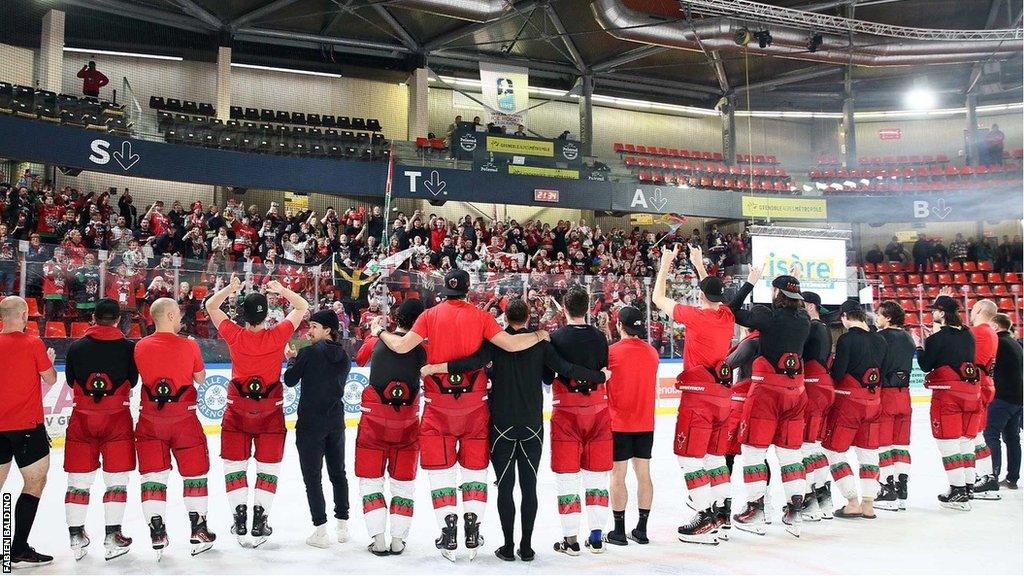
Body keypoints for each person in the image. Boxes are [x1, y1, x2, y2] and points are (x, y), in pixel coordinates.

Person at [370, 268, 547, 561]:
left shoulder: (429, 316)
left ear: (445, 289)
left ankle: (448, 531)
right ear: (467, 289)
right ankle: (473, 527)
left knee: (441, 472)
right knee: (474, 470)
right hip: (475, 407)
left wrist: (379, 331)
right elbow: (513, 345)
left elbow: (401, 346)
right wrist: (540, 333)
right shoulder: (481, 317)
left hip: (438, 407)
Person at [423, 299, 606, 561]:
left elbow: (469, 363)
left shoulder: (495, 343)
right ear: (529, 315)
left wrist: (435, 368)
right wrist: (600, 377)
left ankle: (508, 547)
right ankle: (527, 547)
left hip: (501, 424)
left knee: (506, 488)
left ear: (505, 318)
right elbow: (562, 371)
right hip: (531, 424)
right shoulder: (541, 344)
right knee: (529, 487)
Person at [205, 276, 309, 547]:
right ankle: (260, 519)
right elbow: (302, 307)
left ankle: (239, 517)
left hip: (237, 410)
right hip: (270, 412)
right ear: (267, 315)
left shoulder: (235, 334)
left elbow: (211, 307)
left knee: (234, 466)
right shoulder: (277, 336)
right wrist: (282, 289)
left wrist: (230, 288)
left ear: (243, 315)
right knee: (268, 467)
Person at [651, 244, 735, 544]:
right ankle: (723, 514)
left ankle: (703, 516)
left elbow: (657, 298)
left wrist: (665, 263)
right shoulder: (727, 316)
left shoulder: (697, 317)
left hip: (698, 398)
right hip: (723, 398)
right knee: (714, 457)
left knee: (689, 458)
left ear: (700, 296)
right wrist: (700, 265)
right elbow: (711, 292)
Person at [728, 265, 811, 537]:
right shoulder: (804, 320)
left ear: (776, 292)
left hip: (767, 393)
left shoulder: (768, 318)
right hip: (796, 393)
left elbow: (733, 310)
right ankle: (795, 510)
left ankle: (755, 509)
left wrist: (750, 283)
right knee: (790, 454)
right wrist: (793, 277)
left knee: (754, 451)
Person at [134, 297, 216, 557]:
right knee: (194, 474)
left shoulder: (139, 347)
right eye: (178, 313)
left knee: (153, 477)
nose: (181, 318)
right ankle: (198, 528)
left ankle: (157, 532)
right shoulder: (189, 345)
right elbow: (200, 379)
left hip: (150, 421)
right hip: (184, 421)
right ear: (169, 316)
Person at [63, 298, 137, 561]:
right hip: (117, 419)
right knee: (116, 480)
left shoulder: (76, 347)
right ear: (118, 320)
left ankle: (75, 536)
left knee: (78, 481)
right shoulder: (129, 348)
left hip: (82, 419)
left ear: (93, 317)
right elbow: (133, 380)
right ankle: (113, 535)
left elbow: (72, 381)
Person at [543, 286, 612, 555]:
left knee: (567, 477)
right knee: (597, 476)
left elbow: (548, 379)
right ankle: (596, 537)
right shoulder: (600, 337)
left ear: (564, 307)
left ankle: (570, 540)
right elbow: (604, 370)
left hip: (566, 412)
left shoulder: (556, 338)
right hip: (597, 409)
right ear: (587, 307)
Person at [355, 300, 426, 556]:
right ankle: (398, 539)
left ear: (397, 317)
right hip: (407, 424)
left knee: (371, 481)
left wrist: (375, 332)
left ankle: (378, 539)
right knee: (403, 484)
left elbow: (360, 359)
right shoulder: (422, 349)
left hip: (374, 424)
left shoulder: (377, 341)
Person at [283, 309, 351, 548]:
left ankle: (320, 531)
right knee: (338, 473)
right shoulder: (344, 356)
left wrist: (292, 358)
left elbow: (290, 379)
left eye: (313, 326)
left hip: (311, 424)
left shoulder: (308, 353)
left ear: (327, 330)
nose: (308, 331)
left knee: (313, 477)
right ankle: (342, 525)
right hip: (335, 421)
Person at [0, 296, 57, 567]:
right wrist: (49, 359)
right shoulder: (33, 343)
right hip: (26, 428)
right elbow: (50, 378)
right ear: (24, 315)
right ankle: (18, 547)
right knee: (34, 483)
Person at [820, 300, 887, 519]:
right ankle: (869, 504)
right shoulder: (880, 339)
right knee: (868, 453)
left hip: (849, 403)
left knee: (834, 450)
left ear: (846, 317)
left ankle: (852, 501)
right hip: (874, 402)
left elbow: (838, 373)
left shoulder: (847, 339)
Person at [917, 294, 978, 510]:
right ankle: (968, 486)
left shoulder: (936, 338)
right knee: (966, 441)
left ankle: (958, 491)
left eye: (935, 310)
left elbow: (925, 365)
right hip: (972, 393)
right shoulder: (969, 334)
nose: (932, 313)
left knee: (948, 442)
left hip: (948, 395)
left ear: (942, 313)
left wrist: (919, 347)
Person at [604, 306, 658, 547]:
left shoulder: (611, 353)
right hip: (645, 422)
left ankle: (618, 529)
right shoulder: (652, 353)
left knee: (618, 475)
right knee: (644, 474)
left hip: (619, 423)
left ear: (619, 325)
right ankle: (642, 529)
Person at [873, 301, 917, 512]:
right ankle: (902, 488)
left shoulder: (881, 338)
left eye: (879, 314)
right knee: (901, 445)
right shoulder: (909, 338)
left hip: (886, 394)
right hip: (905, 395)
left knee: (884, 445)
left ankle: (887, 488)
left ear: (888, 317)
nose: (877, 317)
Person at [798, 292, 834, 521]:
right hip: (823, 387)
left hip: (812, 388)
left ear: (810, 306)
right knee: (815, 446)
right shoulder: (824, 328)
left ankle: (810, 500)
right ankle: (824, 498)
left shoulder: (812, 328)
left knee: (805, 447)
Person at [968, 299, 1001, 499]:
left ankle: (986, 477)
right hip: (986, 384)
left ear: (979, 310)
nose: (971, 312)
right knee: (976, 435)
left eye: (972, 309)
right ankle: (986, 476)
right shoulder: (991, 332)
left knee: (972, 435)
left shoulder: (979, 331)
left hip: (977, 387)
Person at [985, 313, 1022, 489]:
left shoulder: (998, 342)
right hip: (1017, 398)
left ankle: (992, 476)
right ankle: (1012, 478)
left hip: (1002, 398)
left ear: (995, 326)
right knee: (1012, 438)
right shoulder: (1015, 343)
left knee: (991, 435)